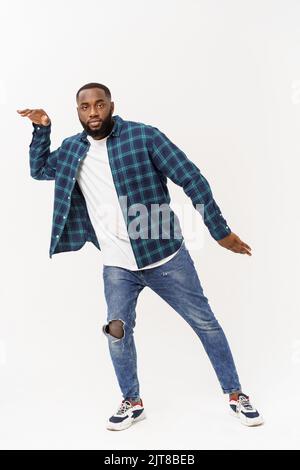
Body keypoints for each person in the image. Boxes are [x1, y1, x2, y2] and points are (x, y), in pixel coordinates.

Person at [17, 82, 263, 430]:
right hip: (117, 265)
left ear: (111, 105)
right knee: (117, 331)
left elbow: (190, 178)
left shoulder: (144, 137)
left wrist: (218, 229)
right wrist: (42, 129)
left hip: (165, 257)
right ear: (78, 112)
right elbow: (40, 170)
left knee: (205, 323)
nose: (94, 113)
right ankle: (132, 401)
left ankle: (236, 394)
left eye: (100, 105)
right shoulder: (73, 149)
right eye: (85, 107)